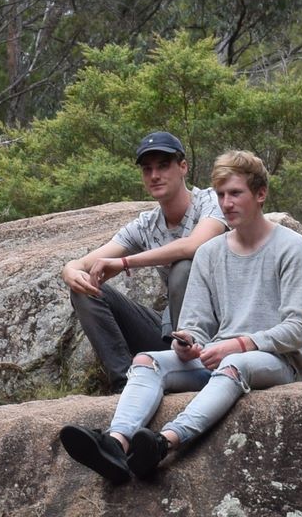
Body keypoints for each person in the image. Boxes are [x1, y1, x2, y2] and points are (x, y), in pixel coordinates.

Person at [59, 149, 302, 485]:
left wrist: (238, 344)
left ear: (260, 194)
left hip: (276, 360)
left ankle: (165, 442)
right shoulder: (210, 252)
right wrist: (188, 342)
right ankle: (116, 444)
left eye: (236, 193)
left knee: (233, 363)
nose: (227, 204)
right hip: (219, 355)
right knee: (147, 360)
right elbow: (196, 323)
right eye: (221, 195)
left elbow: (296, 329)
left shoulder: (291, 247)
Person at [58, 131, 226, 385]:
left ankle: (196, 367)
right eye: (147, 169)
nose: (155, 175)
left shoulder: (211, 201)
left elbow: (193, 245)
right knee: (85, 290)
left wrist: (126, 262)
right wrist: (70, 270)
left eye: (163, 166)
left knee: (183, 268)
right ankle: (126, 383)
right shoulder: (146, 224)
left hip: (221, 331)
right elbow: (84, 263)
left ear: (183, 167)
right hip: (172, 334)